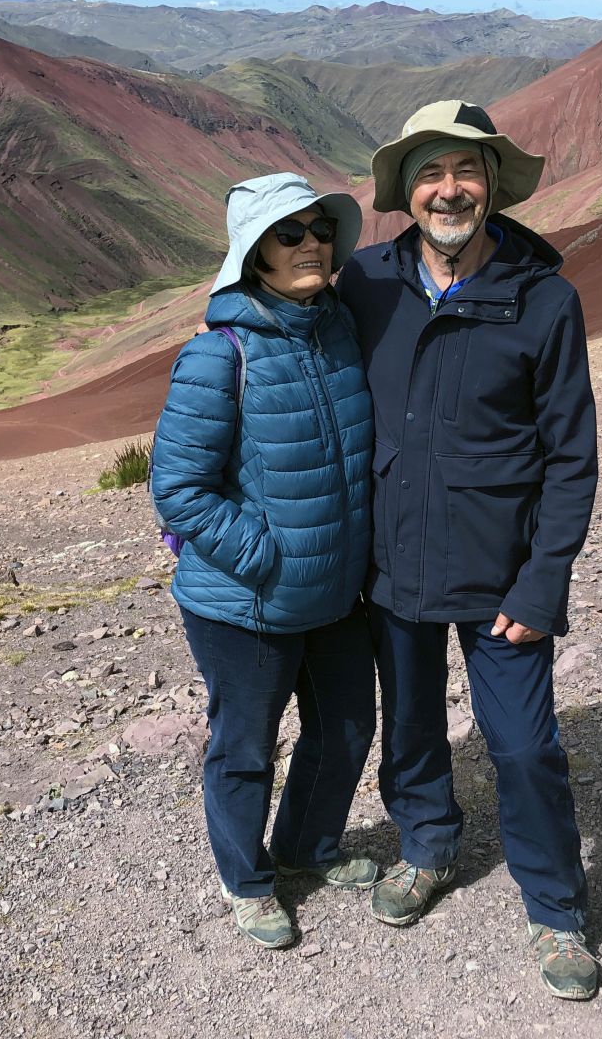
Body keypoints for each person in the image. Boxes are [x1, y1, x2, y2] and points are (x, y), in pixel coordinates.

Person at [337, 101, 602, 1000]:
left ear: (493, 185)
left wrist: (544, 582)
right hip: (392, 562)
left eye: (466, 171)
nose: (448, 190)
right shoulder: (366, 283)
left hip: (503, 576)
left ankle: (556, 909)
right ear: (405, 191)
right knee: (410, 727)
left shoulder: (546, 301)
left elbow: (571, 457)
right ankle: (427, 846)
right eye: (430, 172)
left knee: (523, 748)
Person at [150, 172, 378, 950]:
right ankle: (246, 880)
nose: (311, 242)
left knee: (347, 728)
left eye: (320, 228)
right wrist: (266, 558)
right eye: (290, 232)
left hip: (335, 592)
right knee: (246, 748)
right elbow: (178, 489)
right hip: (245, 600)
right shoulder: (219, 356)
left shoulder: (340, 330)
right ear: (255, 254)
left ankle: (307, 846)